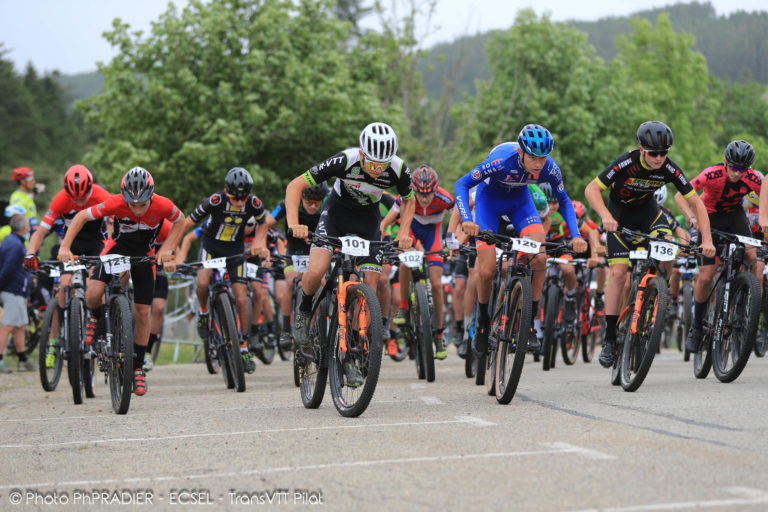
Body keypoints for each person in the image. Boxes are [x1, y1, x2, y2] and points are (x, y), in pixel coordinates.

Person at [286, 122, 415, 387]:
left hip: (368, 221)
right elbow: (294, 185)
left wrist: (403, 231)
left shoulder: (398, 168)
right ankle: (304, 310)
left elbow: (408, 200)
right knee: (317, 270)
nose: (377, 169)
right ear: (362, 152)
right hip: (336, 215)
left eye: (382, 164)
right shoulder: (345, 160)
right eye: (372, 162)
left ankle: (353, 350)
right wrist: (293, 224)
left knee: (370, 285)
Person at [584, 120, 715, 368]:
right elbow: (592, 189)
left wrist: (707, 240)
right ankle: (610, 338)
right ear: (642, 149)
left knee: (667, 244)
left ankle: (658, 294)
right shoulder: (626, 162)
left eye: (664, 153)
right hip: (619, 218)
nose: (659, 158)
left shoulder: (669, 168)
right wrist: (605, 216)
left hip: (649, 215)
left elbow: (697, 203)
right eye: (654, 153)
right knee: (618, 274)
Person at [454, 124, 587, 355]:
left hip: (520, 203)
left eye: (543, 158)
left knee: (540, 258)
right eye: (533, 157)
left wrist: (576, 235)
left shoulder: (550, 168)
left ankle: (530, 323)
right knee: (486, 271)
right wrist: (466, 219)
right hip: (489, 204)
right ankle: (483, 320)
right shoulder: (501, 161)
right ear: (520, 152)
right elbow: (462, 184)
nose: (538, 164)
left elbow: (564, 201)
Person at [58, 167, 186, 396]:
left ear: (151, 196)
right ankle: (96, 318)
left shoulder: (163, 204)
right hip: (116, 250)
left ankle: (137, 368)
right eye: (131, 205)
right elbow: (81, 216)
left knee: (143, 312)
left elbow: (180, 220)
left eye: (142, 205)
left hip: (144, 255)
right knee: (93, 293)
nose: (136, 209)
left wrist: (168, 249)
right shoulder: (115, 202)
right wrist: (65, 246)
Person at [176, 167, 270, 375]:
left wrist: (259, 241)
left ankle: (243, 346)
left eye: (243, 198)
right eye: (235, 198)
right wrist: (173, 249)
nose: (239, 202)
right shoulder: (215, 201)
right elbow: (186, 224)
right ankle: (203, 312)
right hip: (211, 247)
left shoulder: (254, 203)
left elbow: (263, 223)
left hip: (235, 250)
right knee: (203, 283)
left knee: (242, 297)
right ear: (227, 192)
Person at [676, 140, 761, 352]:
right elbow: (679, 195)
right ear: (725, 162)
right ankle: (696, 326)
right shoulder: (711, 174)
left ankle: (742, 300)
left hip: (735, 218)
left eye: (743, 169)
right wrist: (691, 217)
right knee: (706, 277)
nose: (737, 173)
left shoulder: (752, 178)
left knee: (753, 256)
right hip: (709, 218)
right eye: (733, 167)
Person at [382, 165, 454, 360]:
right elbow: (386, 222)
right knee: (405, 261)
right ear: (414, 190)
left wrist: (454, 242)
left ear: (435, 190)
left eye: (428, 193)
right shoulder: (405, 197)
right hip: (411, 232)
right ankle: (404, 306)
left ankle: (439, 334)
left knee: (437, 285)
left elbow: (460, 218)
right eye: (420, 193)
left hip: (433, 235)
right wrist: (382, 239)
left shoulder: (445, 198)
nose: (424, 198)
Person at [267, 182, 327, 348]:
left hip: (317, 249)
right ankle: (286, 329)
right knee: (290, 282)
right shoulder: (289, 202)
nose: (313, 206)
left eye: (317, 202)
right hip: (294, 250)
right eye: (310, 202)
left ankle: (319, 326)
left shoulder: (328, 201)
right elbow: (266, 222)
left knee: (322, 282)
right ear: (302, 197)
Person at [0, 214, 35, 373]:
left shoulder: (13, 240)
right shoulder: (15, 244)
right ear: (24, 227)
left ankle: (23, 359)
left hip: (18, 290)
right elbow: (7, 269)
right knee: (8, 325)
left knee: (21, 325)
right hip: (12, 290)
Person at [10, 167, 40, 231]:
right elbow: (16, 208)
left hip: (32, 229)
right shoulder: (15, 196)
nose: (34, 181)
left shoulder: (27, 195)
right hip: (24, 231)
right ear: (23, 181)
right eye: (31, 179)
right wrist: (33, 194)